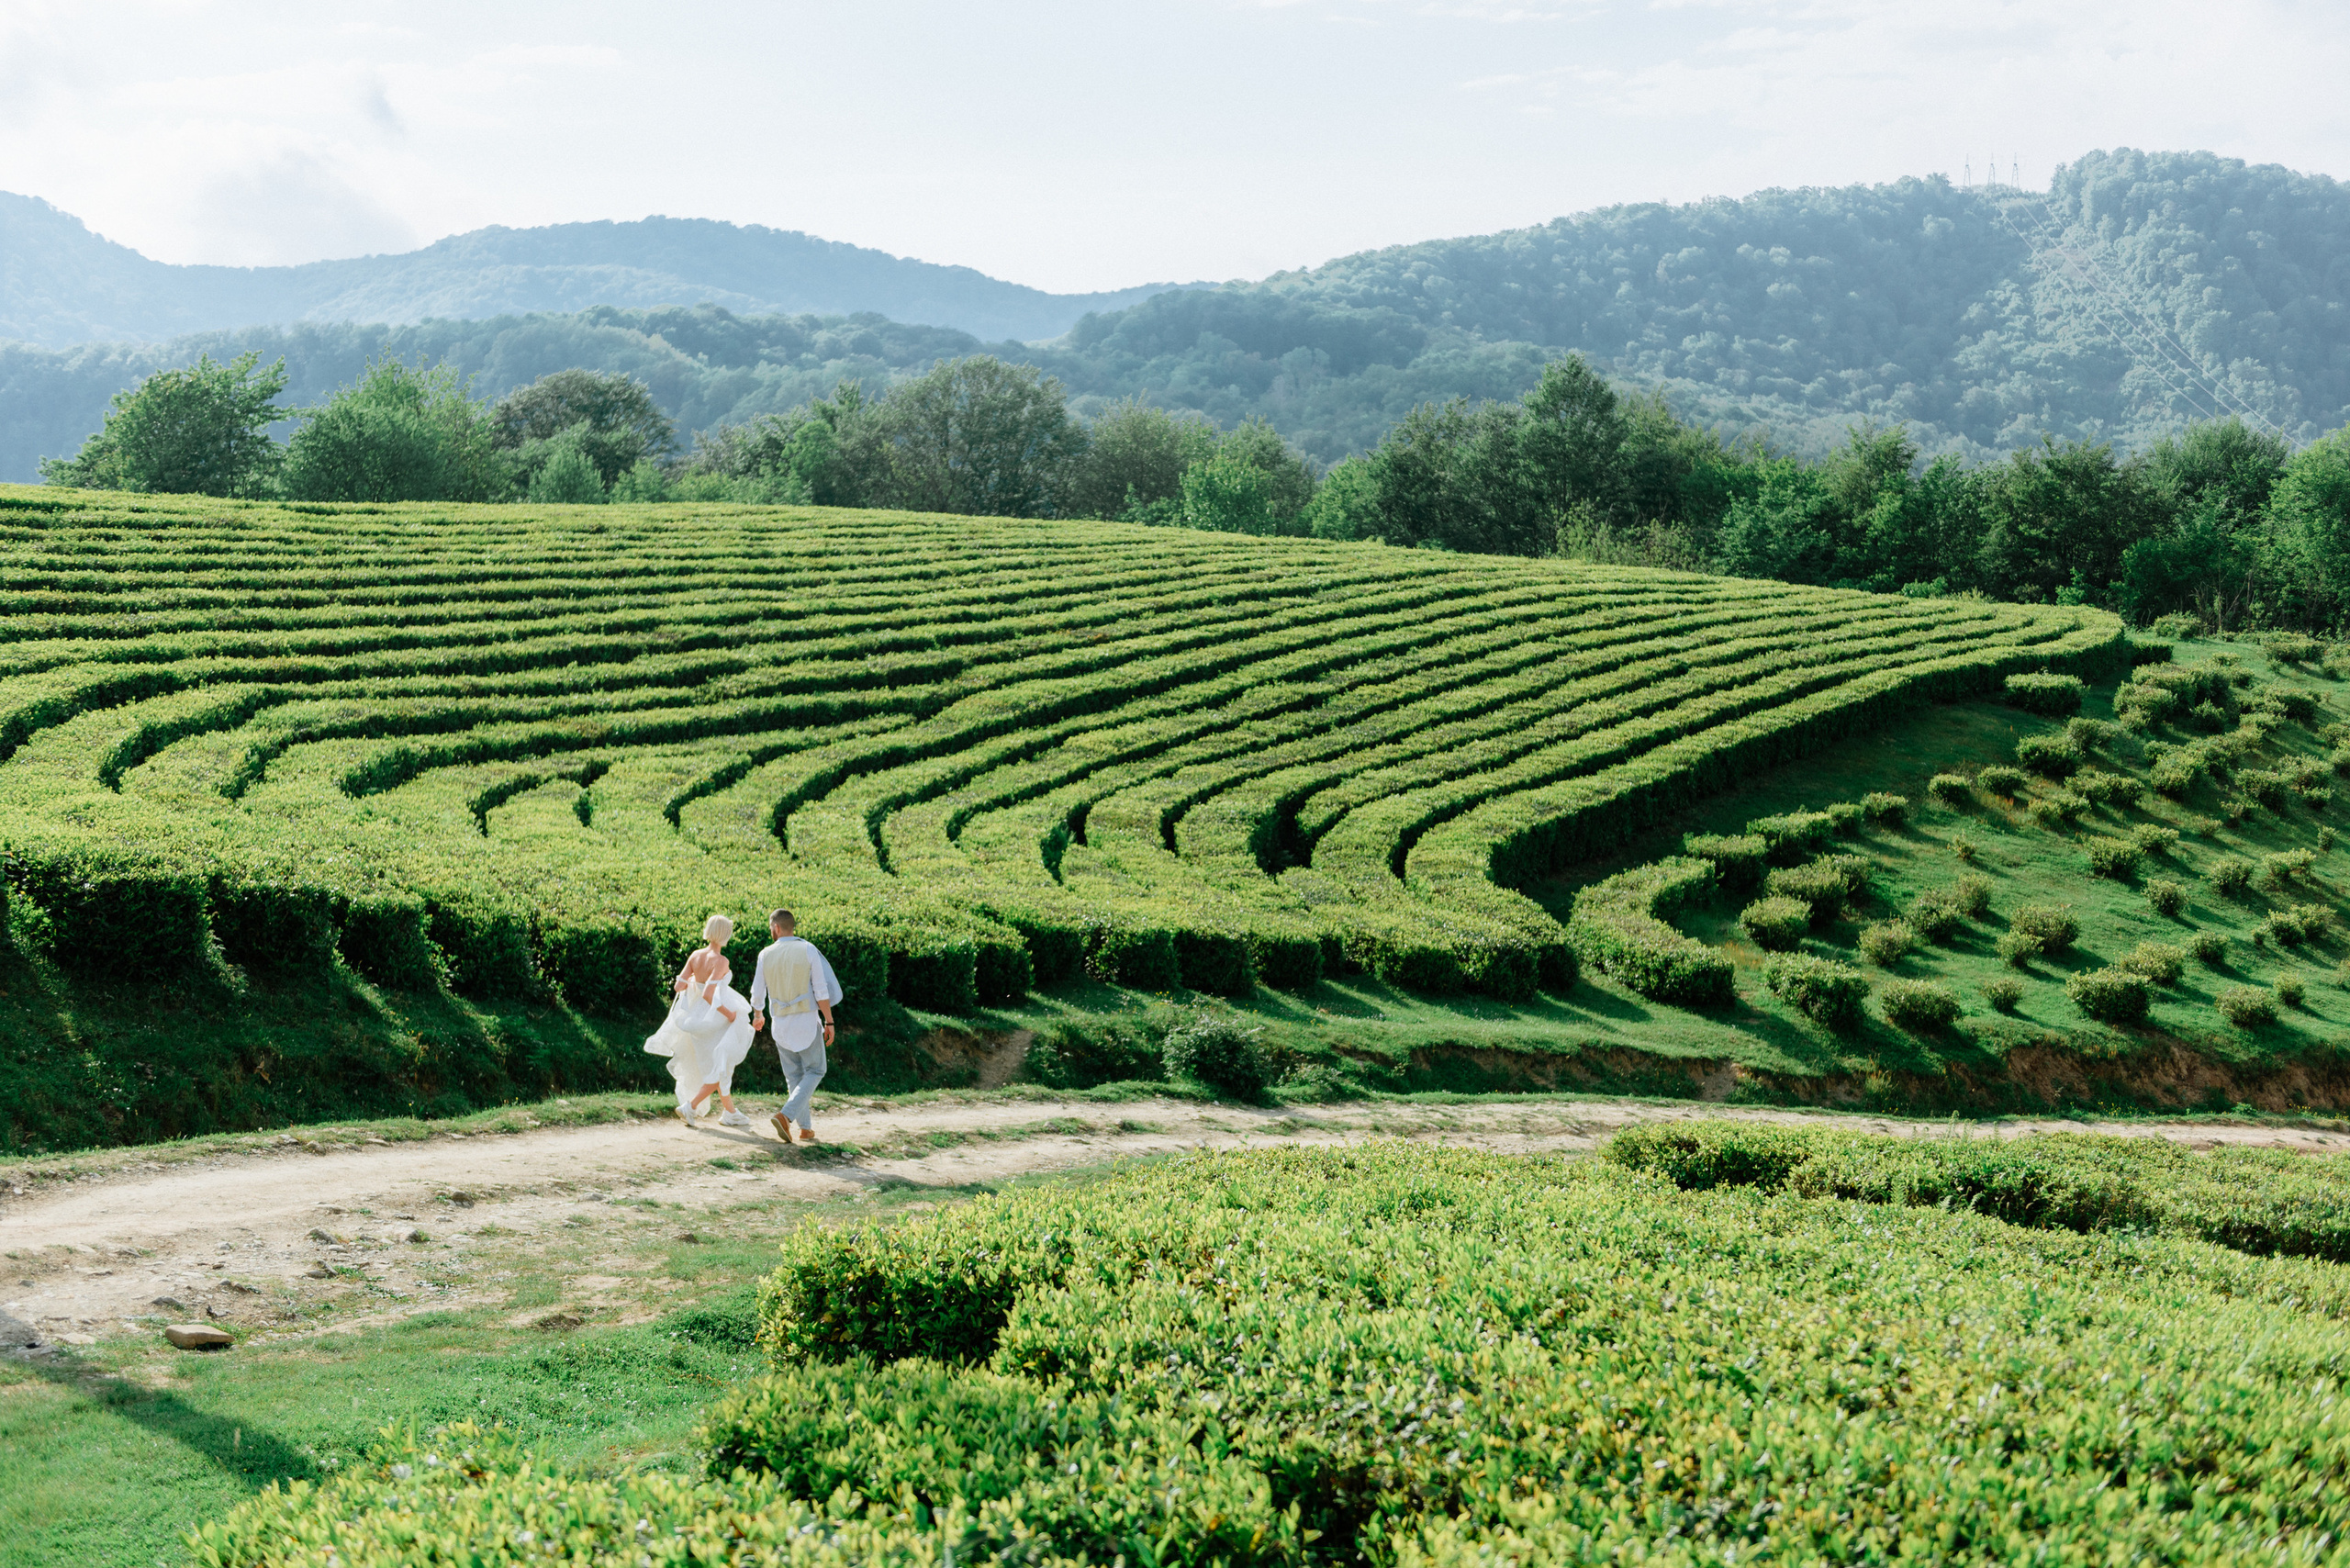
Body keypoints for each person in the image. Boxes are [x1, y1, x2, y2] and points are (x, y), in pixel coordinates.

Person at [643, 914, 755, 1126]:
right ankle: (692, 1106)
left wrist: (694, 980)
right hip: (714, 1018)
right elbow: (709, 995)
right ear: (725, 934)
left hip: (696, 1016)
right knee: (721, 1064)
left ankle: (730, 1112)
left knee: (720, 1063)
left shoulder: (695, 955)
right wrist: (731, 1015)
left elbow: (678, 986)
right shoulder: (721, 961)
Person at [749, 908, 842, 1143]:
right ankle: (786, 1116)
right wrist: (829, 1020)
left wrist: (758, 1014)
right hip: (806, 1022)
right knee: (816, 1070)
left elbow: (757, 992)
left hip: (780, 1023)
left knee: (794, 1076)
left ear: (776, 928)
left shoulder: (765, 954)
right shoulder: (808, 949)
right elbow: (821, 990)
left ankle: (805, 1129)